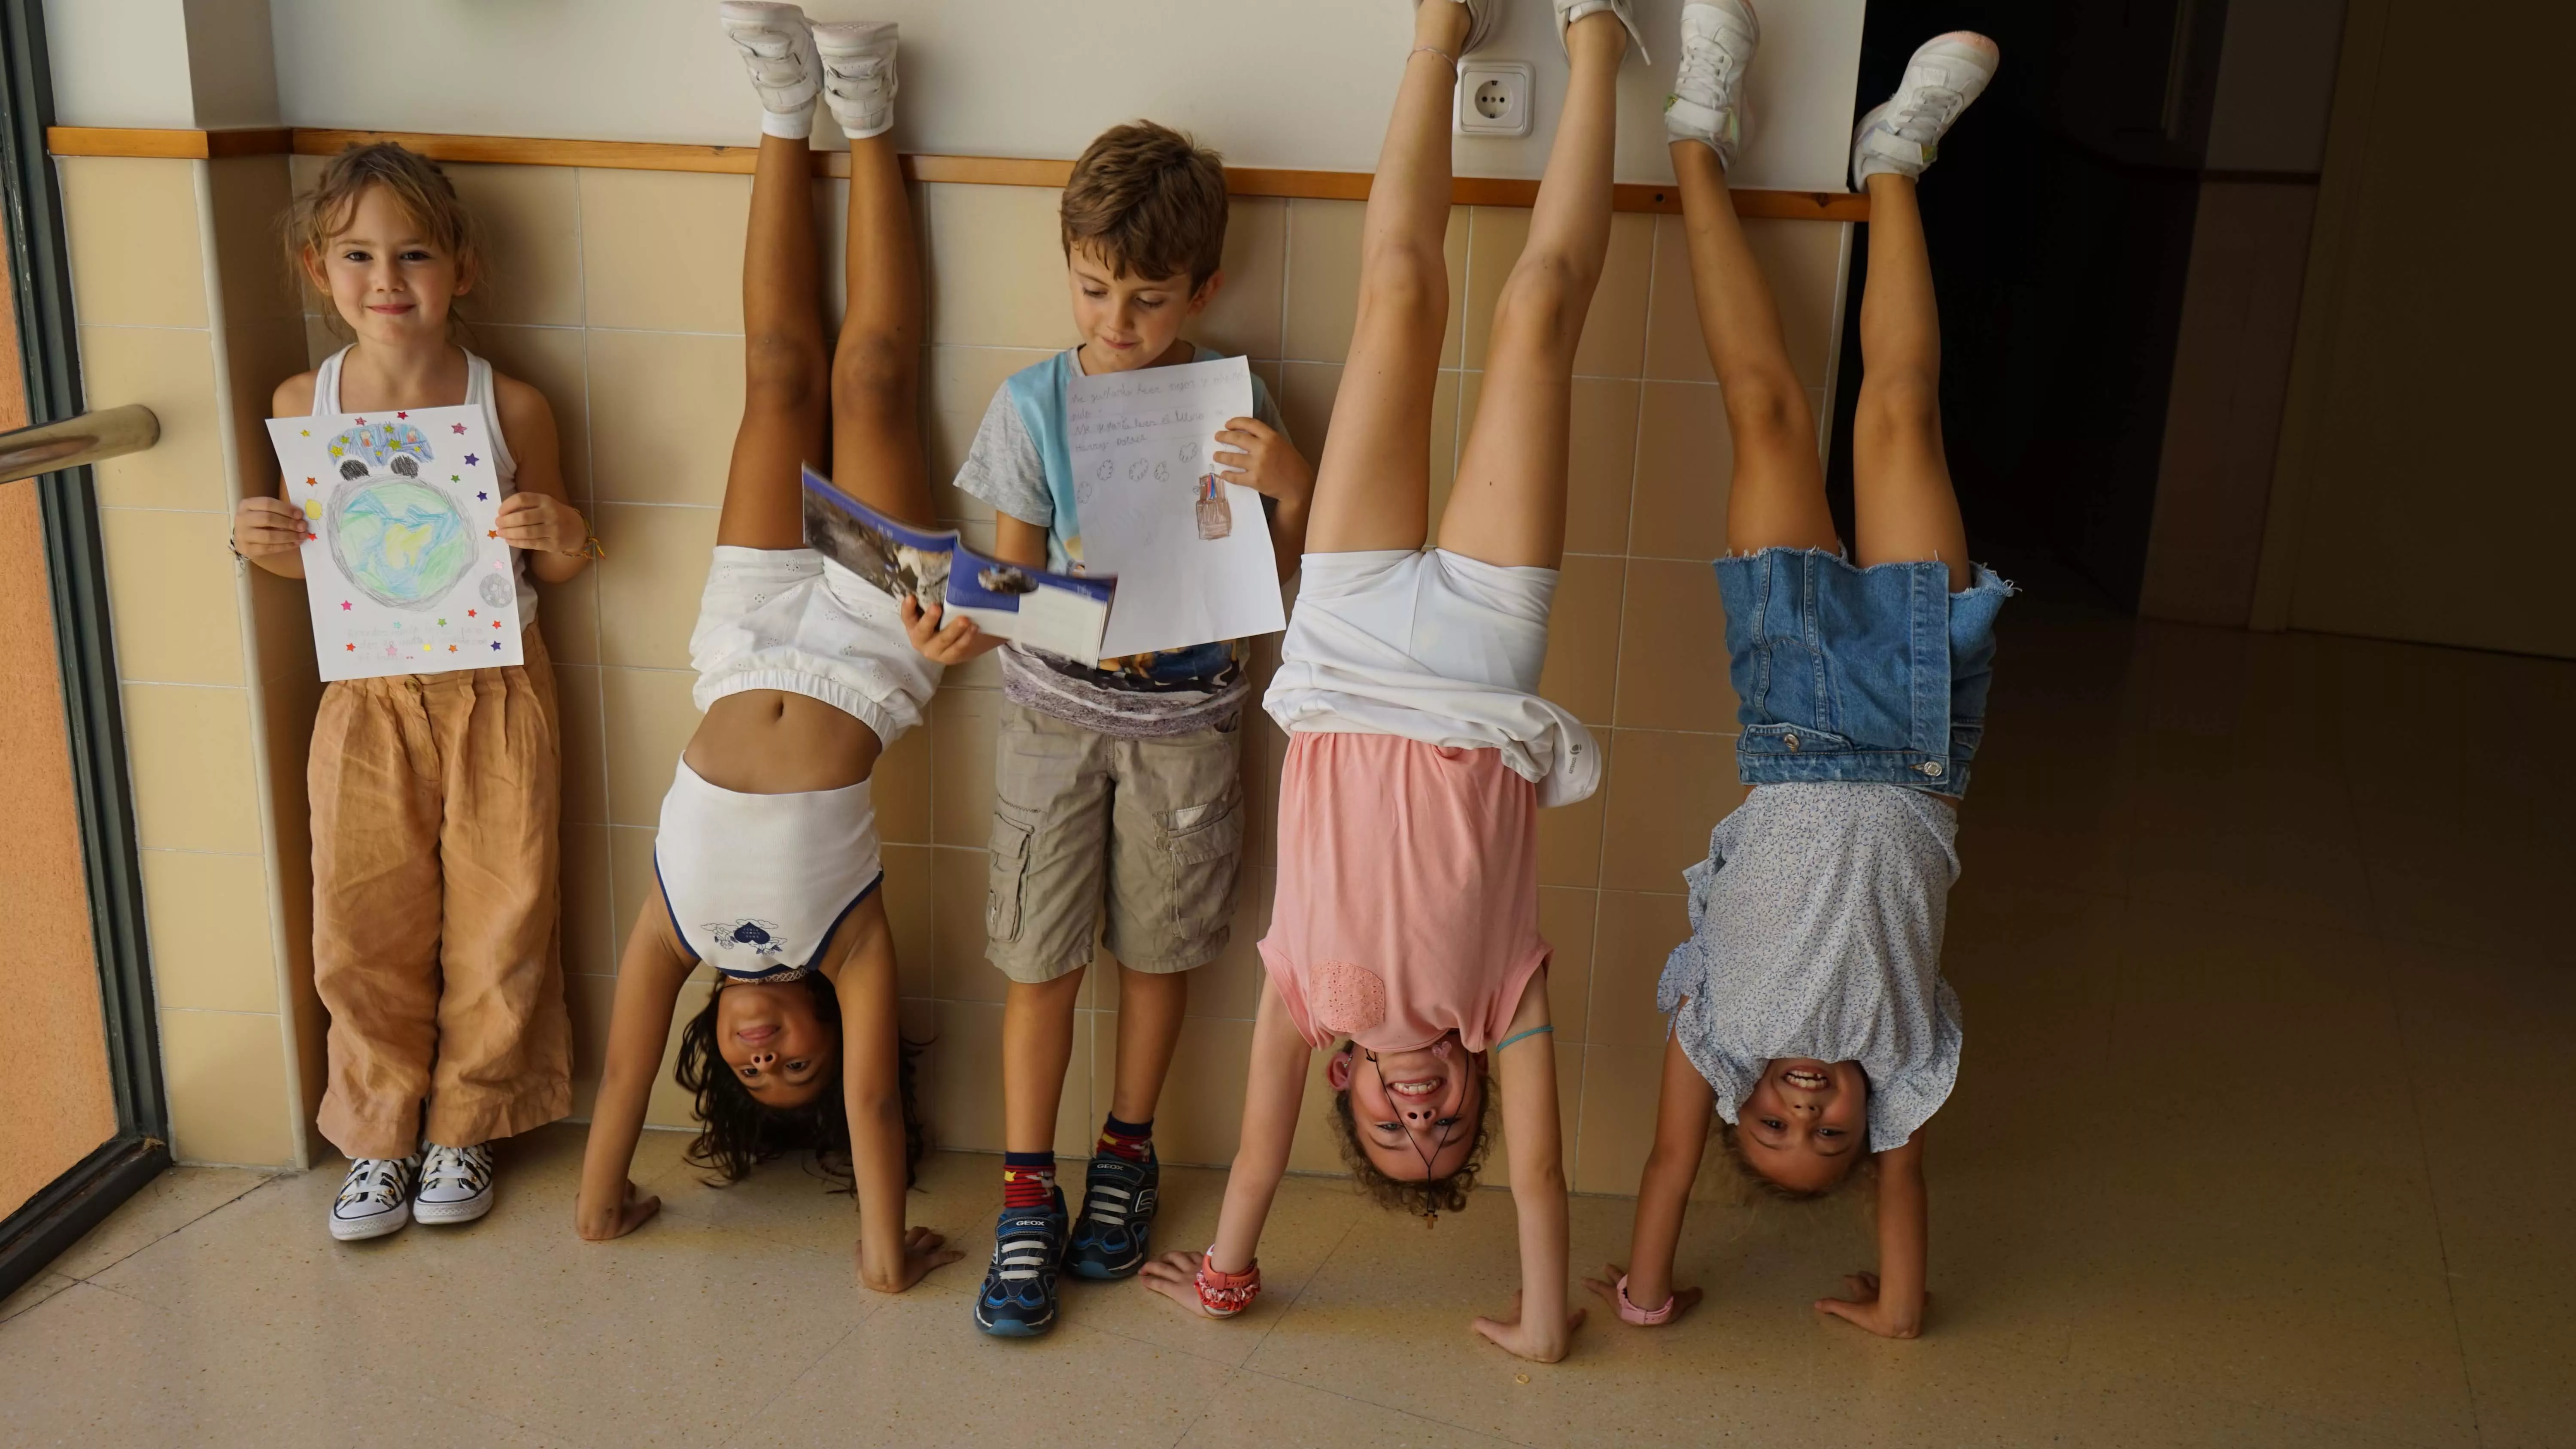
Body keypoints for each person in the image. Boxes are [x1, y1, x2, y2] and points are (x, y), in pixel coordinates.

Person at [1135, 0, 1649, 1366]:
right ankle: (1598, 41)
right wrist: (1546, 1322)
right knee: (1536, 313)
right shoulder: (1507, 1001)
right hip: (1483, 658)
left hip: (1351, 643)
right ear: (1481, 1088)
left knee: (1402, 297)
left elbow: (1249, 1166)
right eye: (1449, 1131)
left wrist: (1229, 1277)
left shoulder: (1306, 1001)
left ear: (1348, 1089)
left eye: (1392, 1131)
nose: (1423, 1117)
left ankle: (1442, 31)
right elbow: (1541, 1182)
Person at [1585, 1, 2009, 1341]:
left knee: (1764, 407)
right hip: (1926, 718)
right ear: (1869, 1122)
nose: (1809, 1106)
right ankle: (1893, 159)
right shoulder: (1908, 1065)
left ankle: (1697, 132)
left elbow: (1666, 1167)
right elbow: (1907, 1187)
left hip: (1791, 716)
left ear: (1739, 1098)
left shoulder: (1711, 1031)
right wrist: (1900, 1304)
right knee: (1898, 411)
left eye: (1775, 1123)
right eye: (1824, 1133)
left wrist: (1648, 1293)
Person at [899, 121, 1316, 1334]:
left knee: (1161, 950)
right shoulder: (1034, 405)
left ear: (1203, 290)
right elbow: (1015, 587)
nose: (1117, 320)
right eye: (1093, 290)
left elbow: (1279, 583)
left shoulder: (1232, 402)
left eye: (1146, 297)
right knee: (1038, 956)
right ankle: (1027, 1189)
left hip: (1188, 726)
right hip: (1055, 724)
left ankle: (1123, 1154)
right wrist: (965, 623)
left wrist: (1288, 481)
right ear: (1066, 268)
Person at [570, 3, 958, 1298]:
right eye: (794, 1064)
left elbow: (624, 1073)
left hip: (741, 642)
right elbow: (876, 1119)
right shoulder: (850, 944)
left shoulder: (676, 935)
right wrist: (883, 1258)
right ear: (835, 1034)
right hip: (867, 646)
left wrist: (600, 1198)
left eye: (749, 1073)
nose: (767, 1057)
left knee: (779, 374)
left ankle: (781, 104)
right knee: (874, 379)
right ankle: (870, 105)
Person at [232, 140, 592, 1241]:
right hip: (366, 697)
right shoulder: (304, 402)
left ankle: (468, 1119)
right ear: (317, 269)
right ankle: (381, 1132)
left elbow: (571, 556)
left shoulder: (511, 404)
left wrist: (558, 530)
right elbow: (321, 556)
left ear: (462, 270)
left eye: (415, 254)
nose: (387, 279)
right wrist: (263, 542)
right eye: (358, 256)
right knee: (361, 915)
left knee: (503, 910)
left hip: (494, 686)